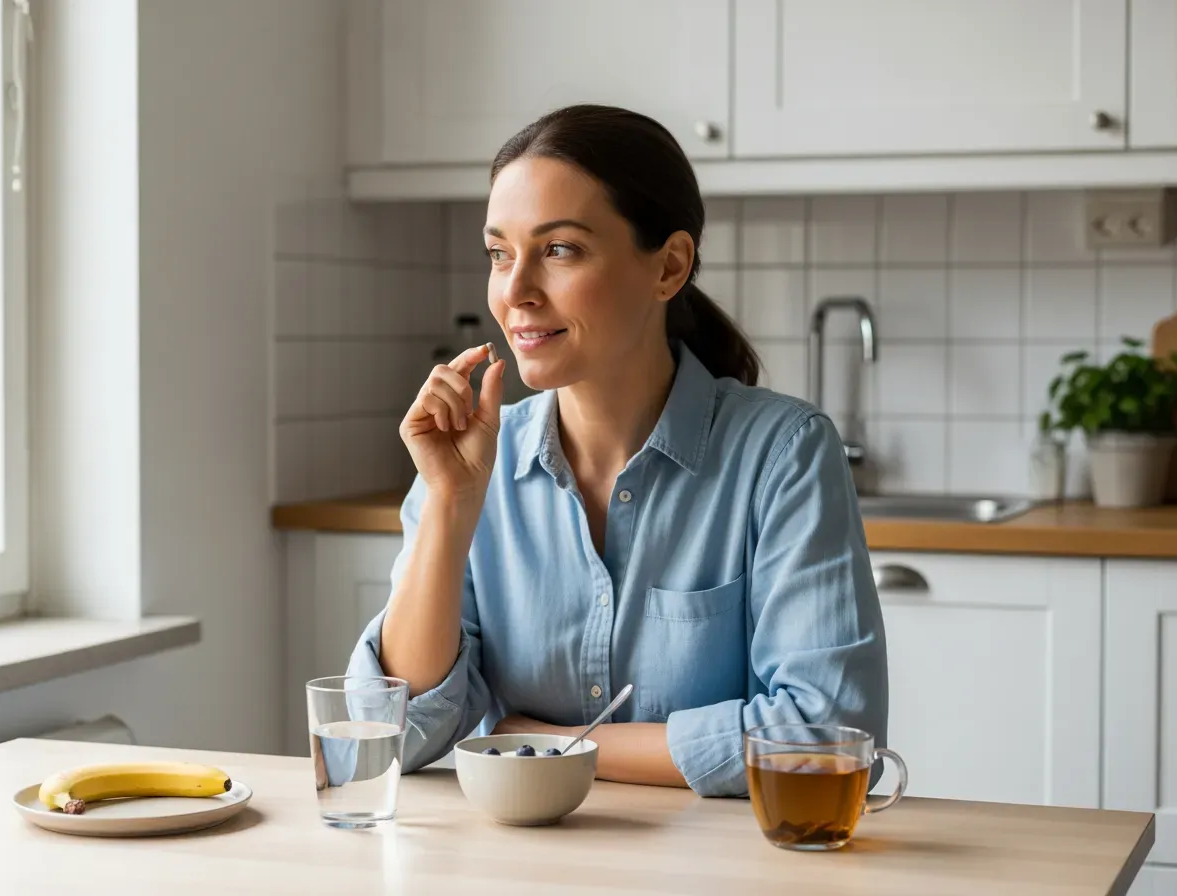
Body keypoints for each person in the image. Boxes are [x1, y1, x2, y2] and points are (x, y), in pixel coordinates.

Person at [347, 104, 887, 797]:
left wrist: (554, 744)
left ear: (668, 267)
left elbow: (829, 734)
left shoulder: (783, 456)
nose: (514, 292)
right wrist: (451, 505)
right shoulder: (470, 465)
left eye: (560, 250)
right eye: (499, 254)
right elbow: (389, 734)